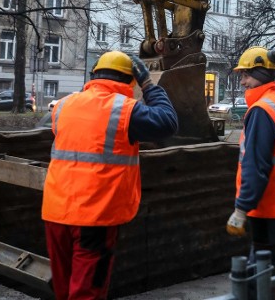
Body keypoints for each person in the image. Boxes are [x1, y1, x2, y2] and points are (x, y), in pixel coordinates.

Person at [42, 51, 178, 300]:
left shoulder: (63, 106)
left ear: (93, 75)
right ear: (130, 81)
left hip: (55, 212)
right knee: (87, 293)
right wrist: (148, 84)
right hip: (94, 217)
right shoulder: (124, 110)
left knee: (63, 290)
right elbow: (168, 122)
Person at [226, 46, 275, 275]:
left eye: (246, 75)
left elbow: (255, 165)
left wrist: (241, 208)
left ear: (260, 74)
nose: (242, 82)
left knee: (265, 277)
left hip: (270, 207)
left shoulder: (262, 110)